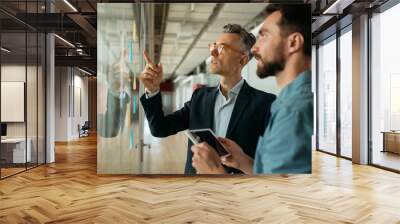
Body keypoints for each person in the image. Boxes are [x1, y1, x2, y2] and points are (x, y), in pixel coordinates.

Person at [139, 24, 276, 174]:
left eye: (222, 48)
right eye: (213, 46)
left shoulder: (265, 104)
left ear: (242, 60)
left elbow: (273, 165)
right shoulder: (200, 97)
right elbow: (160, 128)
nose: (213, 52)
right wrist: (152, 90)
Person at [191, 4, 313, 174]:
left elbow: (282, 196)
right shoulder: (285, 104)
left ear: (293, 43)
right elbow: (274, 174)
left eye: (264, 36)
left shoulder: (295, 110)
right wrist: (244, 162)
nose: (254, 49)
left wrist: (215, 173)